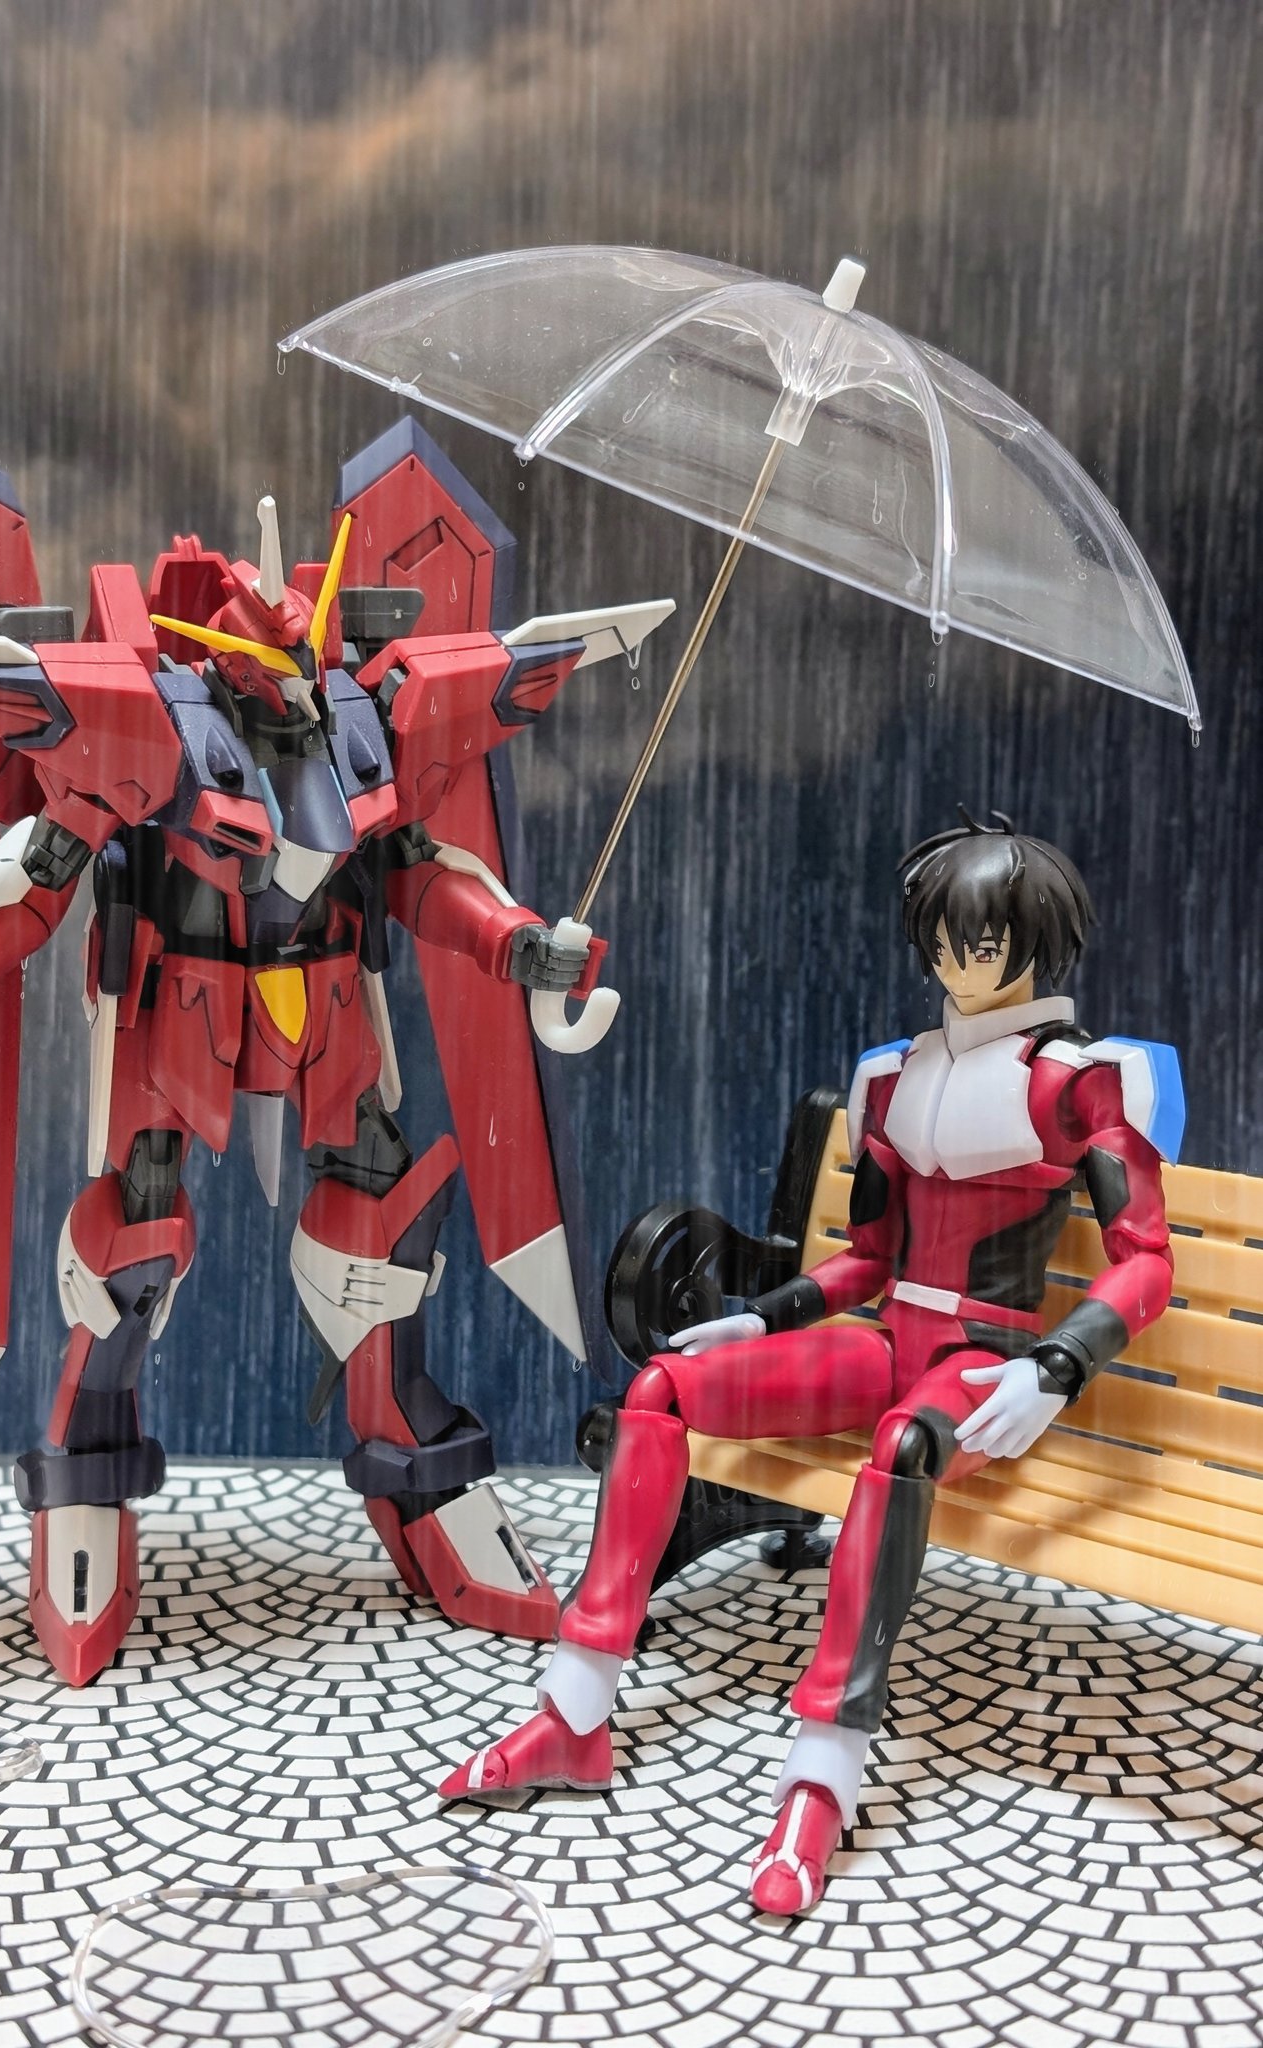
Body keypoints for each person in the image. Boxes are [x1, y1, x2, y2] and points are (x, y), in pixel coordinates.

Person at [440, 810, 1182, 1916]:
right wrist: (765, 1319)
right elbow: (870, 1258)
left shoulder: (1082, 1085)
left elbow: (1145, 1262)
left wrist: (1058, 1367)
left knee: (901, 1445)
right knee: (661, 1387)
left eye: (980, 941)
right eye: (942, 940)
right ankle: (575, 1710)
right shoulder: (897, 1078)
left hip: (984, 1364)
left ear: (1032, 942)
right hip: (888, 1341)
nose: (957, 962)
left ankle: (821, 1778)